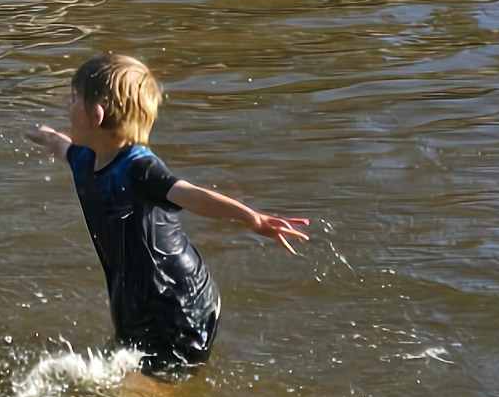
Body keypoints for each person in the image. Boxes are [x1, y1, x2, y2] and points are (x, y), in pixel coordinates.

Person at [52, 49, 308, 378]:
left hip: (177, 303)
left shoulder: (138, 167)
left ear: (97, 115)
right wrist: (39, 134)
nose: (66, 107)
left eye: (73, 99)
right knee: (131, 377)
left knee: (147, 395)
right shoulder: (85, 159)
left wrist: (253, 219)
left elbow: (192, 195)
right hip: (137, 297)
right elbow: (59, 145)